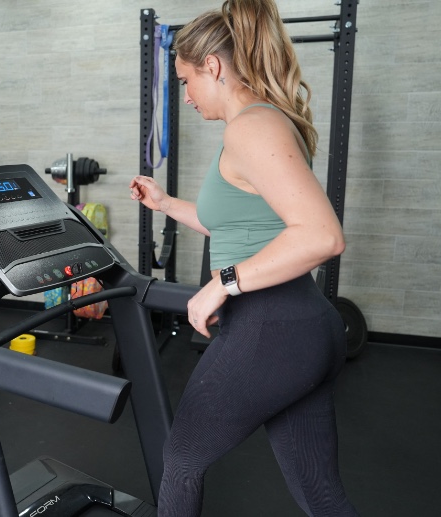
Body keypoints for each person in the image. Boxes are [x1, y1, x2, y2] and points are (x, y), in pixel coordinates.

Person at [129, 1, 359, 515]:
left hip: (271, 327)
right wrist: (165, 204)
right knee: (320, 493)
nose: (185, 96)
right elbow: (238, 228)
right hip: (300, 328)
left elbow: (323, 236)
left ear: (212, 67)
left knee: (181, 458)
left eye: (186, 81)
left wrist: (222, 282)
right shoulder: (259, 125)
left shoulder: (251, 128)